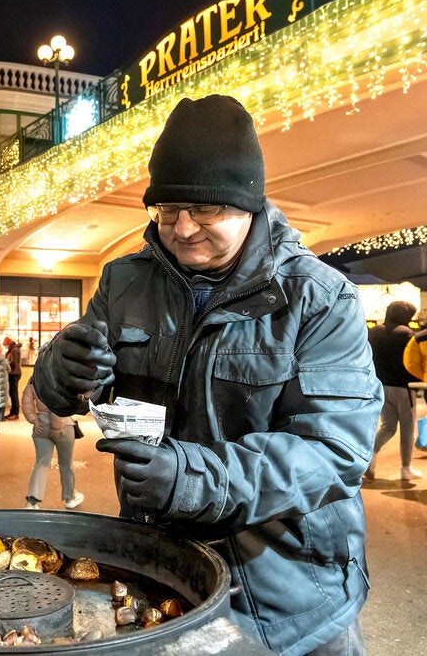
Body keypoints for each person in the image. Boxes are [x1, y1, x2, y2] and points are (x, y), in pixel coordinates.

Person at [32, 95, 382, 656]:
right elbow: (64, 394)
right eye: (167, 209)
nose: (183, 228)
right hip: (167, 571)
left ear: (247, 204)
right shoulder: (124, 280)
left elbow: (335, 452)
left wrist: (192, 477)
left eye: (205, 210)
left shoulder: (318, 297)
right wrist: (61, 370)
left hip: (291, 591)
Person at [366, 301, 419, 480]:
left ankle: (370, 457)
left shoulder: (376, 331)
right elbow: (412, 361)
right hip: (403, 388)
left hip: (380, 386)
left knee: (388, 426)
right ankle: (406, 468)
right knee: (407, 428)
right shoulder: (406, 334)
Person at [21, 379, 83, 510]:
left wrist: (33, 419)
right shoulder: (59, 374)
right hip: (64, 426)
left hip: (41, 426)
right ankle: (70, 498)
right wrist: (56, 426)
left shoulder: (34, 380)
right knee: (66, 464)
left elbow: (26, 402)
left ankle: (32, 502)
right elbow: (57, 404)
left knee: (41, 463)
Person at [3, 337, 22, 420]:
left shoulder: (14, 350)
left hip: (14, 374)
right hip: (13, 373)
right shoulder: (13, 349)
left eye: (5, 345)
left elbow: (13, 362)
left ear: (8, 344)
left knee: (14, 394)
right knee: (12, 393)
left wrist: (4, 363)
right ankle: (12, 412)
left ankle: (15, 413)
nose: (5, 347)